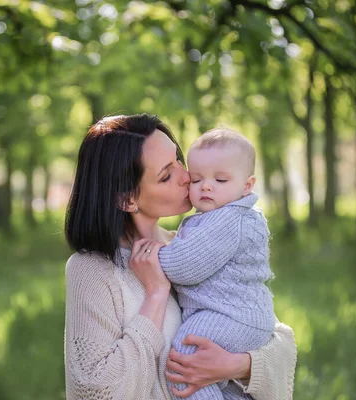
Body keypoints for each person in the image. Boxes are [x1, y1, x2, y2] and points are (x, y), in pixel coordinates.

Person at [64, 114, 297, 400]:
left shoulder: (192, 246)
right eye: (166, 175)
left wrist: (237, 366)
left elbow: (276, 337)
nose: (186, 176)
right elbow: (93, 391)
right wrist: (156, 294)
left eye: (178, 159)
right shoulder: (92, 270)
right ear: (127, 199)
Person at [158, 128, 275, 400]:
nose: (206, 186)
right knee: (223, 385)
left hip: (233, 317)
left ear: (247, 186)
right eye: (196, 179)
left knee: (185, 358)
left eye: (220, 179)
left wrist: (157, 254)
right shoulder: (221, 216)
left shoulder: (229, 219)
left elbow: (183, 266)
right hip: (235, 315)